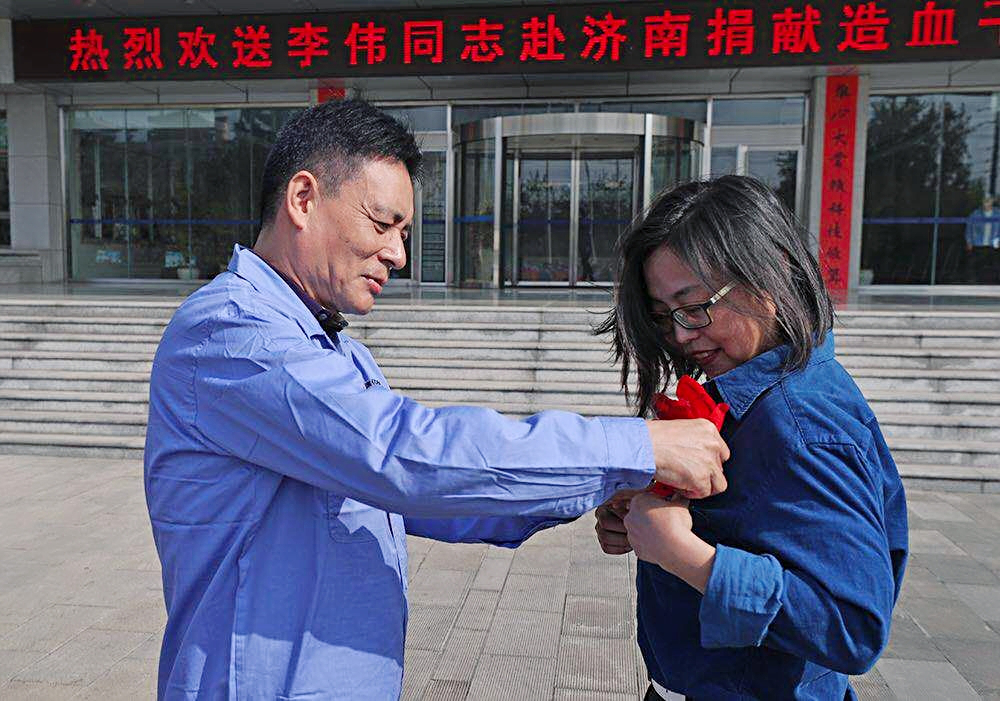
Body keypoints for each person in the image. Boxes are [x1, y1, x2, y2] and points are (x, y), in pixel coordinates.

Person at [144, 99, 730, 700]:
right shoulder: (231, 336)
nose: (398, 254)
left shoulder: (331, 347)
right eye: (382, 224)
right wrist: (632, 446)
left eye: (403, 233)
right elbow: (403, 458)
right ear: (302, 198)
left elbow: (437, 499)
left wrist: (602, 483)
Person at [594, 175, 908, 700]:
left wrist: (683, 554)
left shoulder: (800, 425)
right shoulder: (752, 395)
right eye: (663, 316)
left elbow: (852, 626)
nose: (681, 335)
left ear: (772, 274)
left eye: (696, 306)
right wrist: (647, 517)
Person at [965, 194, 999, 284]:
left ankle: (993, 285)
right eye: (985, 200)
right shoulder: (975, 214)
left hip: (994, 244)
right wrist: (969, 241)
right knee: (976, 266)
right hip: (978, 244)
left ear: (993, 201)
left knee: (994, 266)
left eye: (989, 200)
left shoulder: (998, 213)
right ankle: (975, 285)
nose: (986, 202)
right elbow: (969, 228)